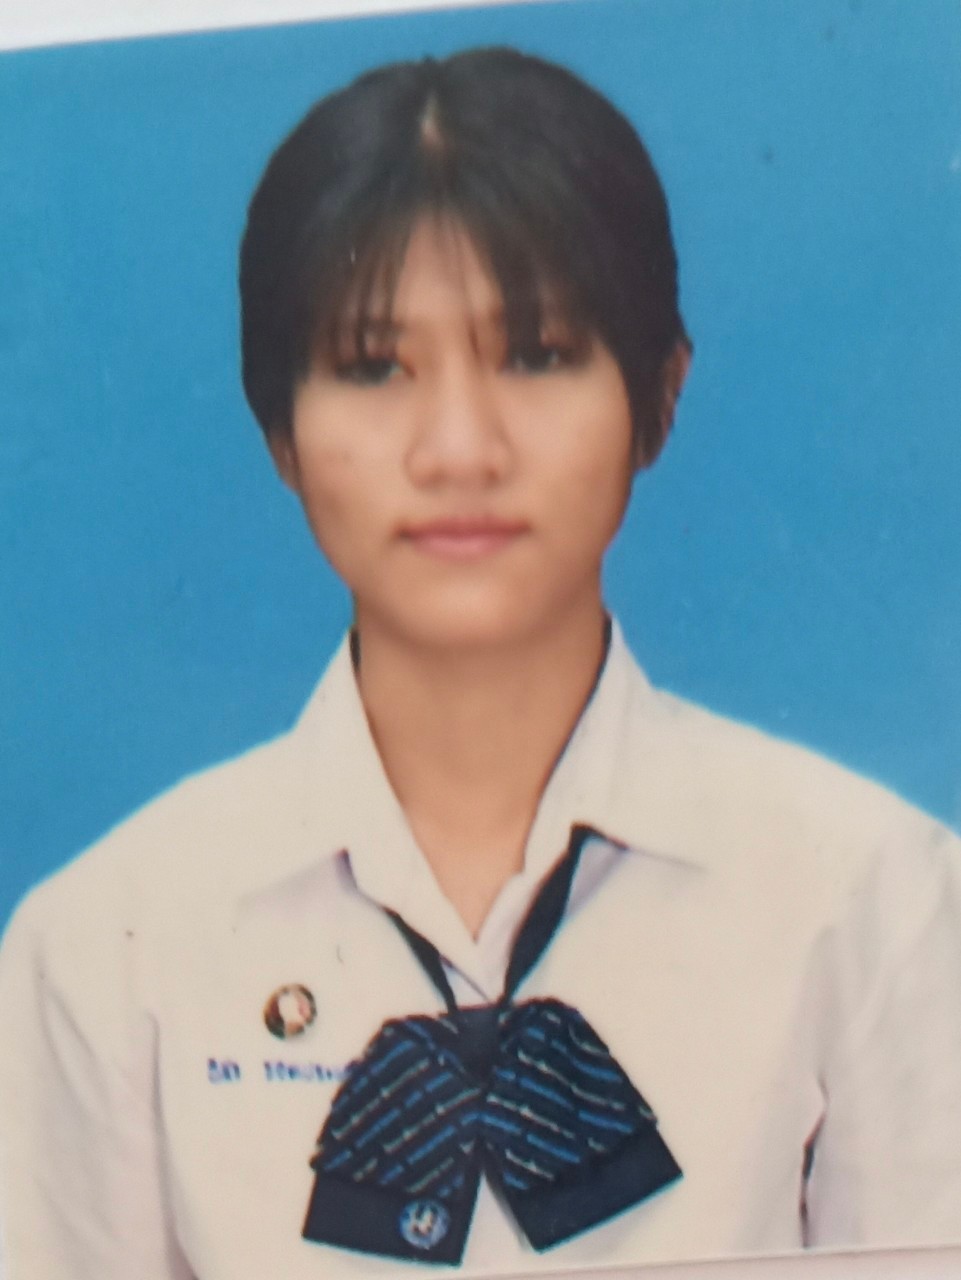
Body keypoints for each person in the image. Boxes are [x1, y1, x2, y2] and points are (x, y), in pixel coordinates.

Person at [1, 44, 960, 1280]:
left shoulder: (876, 901)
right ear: (279, 427)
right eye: (372, 366)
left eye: (537, 352)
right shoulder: (103, 948)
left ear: (659, 394)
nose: (459, 448)